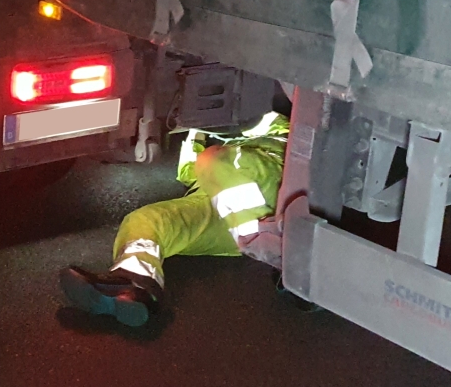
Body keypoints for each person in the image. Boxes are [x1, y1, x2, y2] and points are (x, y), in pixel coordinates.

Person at [59, 110, 290, 327]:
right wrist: (195, 129)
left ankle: (269, 246)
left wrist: (223, 122)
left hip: (272, 180)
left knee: (214, 160)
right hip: (226, 210)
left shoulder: (276, 129)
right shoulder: (209, 150)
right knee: (146, 220)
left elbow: (266, 117)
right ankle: (134, 285)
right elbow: (187, 173)